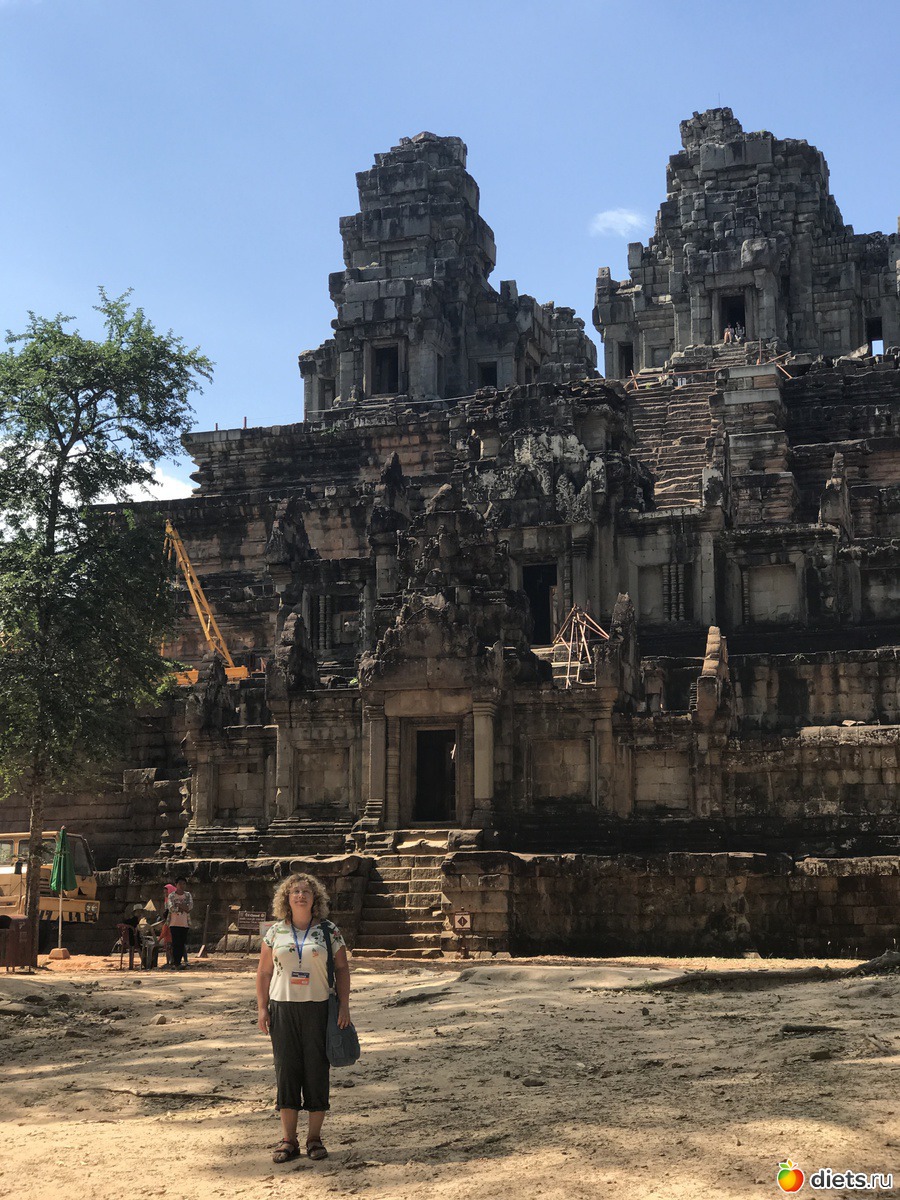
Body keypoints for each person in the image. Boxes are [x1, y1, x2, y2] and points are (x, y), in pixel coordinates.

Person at [256, 873, 352, 1164]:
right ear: (286, 898)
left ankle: (314, 1138)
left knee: (316, 1070)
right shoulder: (275, 932)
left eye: (306, 892)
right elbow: (264, 972)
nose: (300, 896)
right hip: (283, 1008)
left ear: (315, 898)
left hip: (318, 1008)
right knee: (286, 1070)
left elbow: (342, 969)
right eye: (295, 891)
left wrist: (344, 1006)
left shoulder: (328, 930)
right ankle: (288, 1139)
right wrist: (262, 1008)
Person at [166, 876, 193, 969]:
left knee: (182, 943)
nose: (182, 886)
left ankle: (178, 962)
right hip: (174, 923)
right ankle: (176, 963)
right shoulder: (171, 896)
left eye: (184, 884)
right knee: (175, 943)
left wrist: (179, 905)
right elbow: (171, 908)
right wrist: (182, 907)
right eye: (180, 884)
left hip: (185, 923)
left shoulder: (188, 895)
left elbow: (189, 907)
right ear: (176, 885)